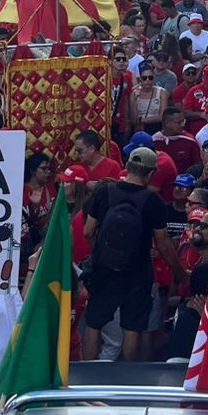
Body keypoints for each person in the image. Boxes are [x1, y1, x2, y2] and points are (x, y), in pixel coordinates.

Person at [82, 146, 183, 362]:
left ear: (127, 167)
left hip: (103, 270)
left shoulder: (104, 191)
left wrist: (101, 252)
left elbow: (88, 231)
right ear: (150, 173)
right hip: (137, 272)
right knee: (132, 326)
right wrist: (181, 273)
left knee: (94, 323)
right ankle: (128, 375)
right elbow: (163, 245)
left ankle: (86, 375)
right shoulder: (153, 201)